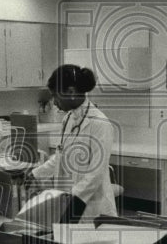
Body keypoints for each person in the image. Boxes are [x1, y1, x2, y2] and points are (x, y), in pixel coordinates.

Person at [27, 64, 117, 222]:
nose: (54, 103)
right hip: (69, 202)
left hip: (92, 207)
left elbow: (95, 174)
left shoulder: (100, 123)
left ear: (71, 92)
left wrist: (71, 198)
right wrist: (36, 174)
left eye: (56, 96)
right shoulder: (68, 119)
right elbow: (61, 155)